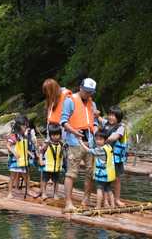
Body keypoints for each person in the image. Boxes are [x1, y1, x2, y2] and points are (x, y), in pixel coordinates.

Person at [60, 78, 98, 211]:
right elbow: (63, 121)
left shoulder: (92, 104)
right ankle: (68, 202)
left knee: (90, 172)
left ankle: (86, 198)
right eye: (86, 91)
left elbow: (94, 122)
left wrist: (96, 130)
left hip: (91, 143)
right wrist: (75, 132)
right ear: (80, 87)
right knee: (71, 173)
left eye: (91, 92)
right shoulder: (70, 101)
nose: (88, 94)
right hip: (74, 142)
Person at [98, 106, 127, 207]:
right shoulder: (106, 123)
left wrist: (103, 141)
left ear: (118, 117)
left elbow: (115, 137)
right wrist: (96, 114)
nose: (111, 117)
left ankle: (117, 199)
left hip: (116, 158)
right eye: (110, 115)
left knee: (117, 179)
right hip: (106, 157)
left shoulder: (121, 127)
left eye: (114, 116)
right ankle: (105, 200)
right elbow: (100, 118)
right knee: (106, 178)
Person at [79, 132, 116, 209]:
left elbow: (89, 151)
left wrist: (81, 143)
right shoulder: (109, 147)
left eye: (100, 140)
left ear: (105, 140)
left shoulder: (100, 150)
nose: (98, 141)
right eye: (97, 139)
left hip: (102, 174)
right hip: (109, 174)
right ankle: (113, 205)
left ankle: (98, 206)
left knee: (99, 189)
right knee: (109, 190)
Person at [6, 115, 37, 199]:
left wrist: (29, 153)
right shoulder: (14, 136)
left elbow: (23, 147)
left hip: (23, 160)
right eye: (24, 126)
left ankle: (28, 190)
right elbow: (8, 145)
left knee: (26, 176)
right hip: (15, 161)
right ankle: (9, 193)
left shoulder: (24, 136)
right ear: (19, 126)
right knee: (12, 177)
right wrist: (14, 152)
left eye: (26, 126)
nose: (26, 128)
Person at [39, 124, 64, 200]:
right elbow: (41, 152)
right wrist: (40, 160)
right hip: (47, 166)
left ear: (60, 135)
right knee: (44, 180)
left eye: (57, 134)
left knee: (56, 181)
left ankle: (55, 194)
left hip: (56, 167)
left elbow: (63, 154)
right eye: (53, 135)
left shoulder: (61, 144)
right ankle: (43, 193)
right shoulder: (47, 144)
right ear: (50, 135)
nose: (55, 136)